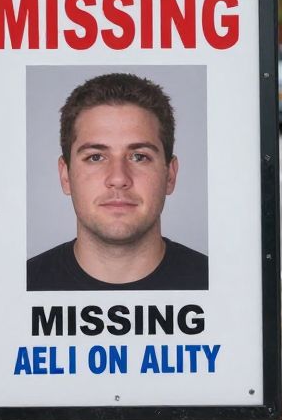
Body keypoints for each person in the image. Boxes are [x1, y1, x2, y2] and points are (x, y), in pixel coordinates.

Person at [26, 72, 207, 291]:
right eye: (96, 157)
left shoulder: (220, 286)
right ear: (65, 176)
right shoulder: (20, 288)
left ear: (170, 175)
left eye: (139, 156)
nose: (119, 178)